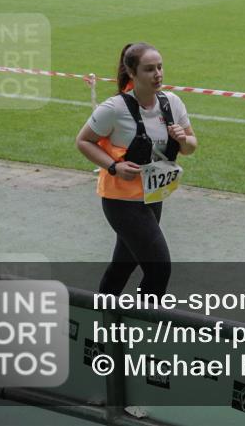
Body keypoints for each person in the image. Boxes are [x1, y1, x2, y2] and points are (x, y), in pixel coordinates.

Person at [76, 42, 197, 297]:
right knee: (159, 269)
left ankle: (102, 323)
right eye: (149, 69)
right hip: (122, 201)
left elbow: (190, 147)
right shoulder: (114, 108)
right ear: (132, 73)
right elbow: (83, 141)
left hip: (153, 196)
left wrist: (183, 140)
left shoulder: (172, 103)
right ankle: (140, 326)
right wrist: (114, 166)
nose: (158, 74)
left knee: (123, 266)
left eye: (160, 67)